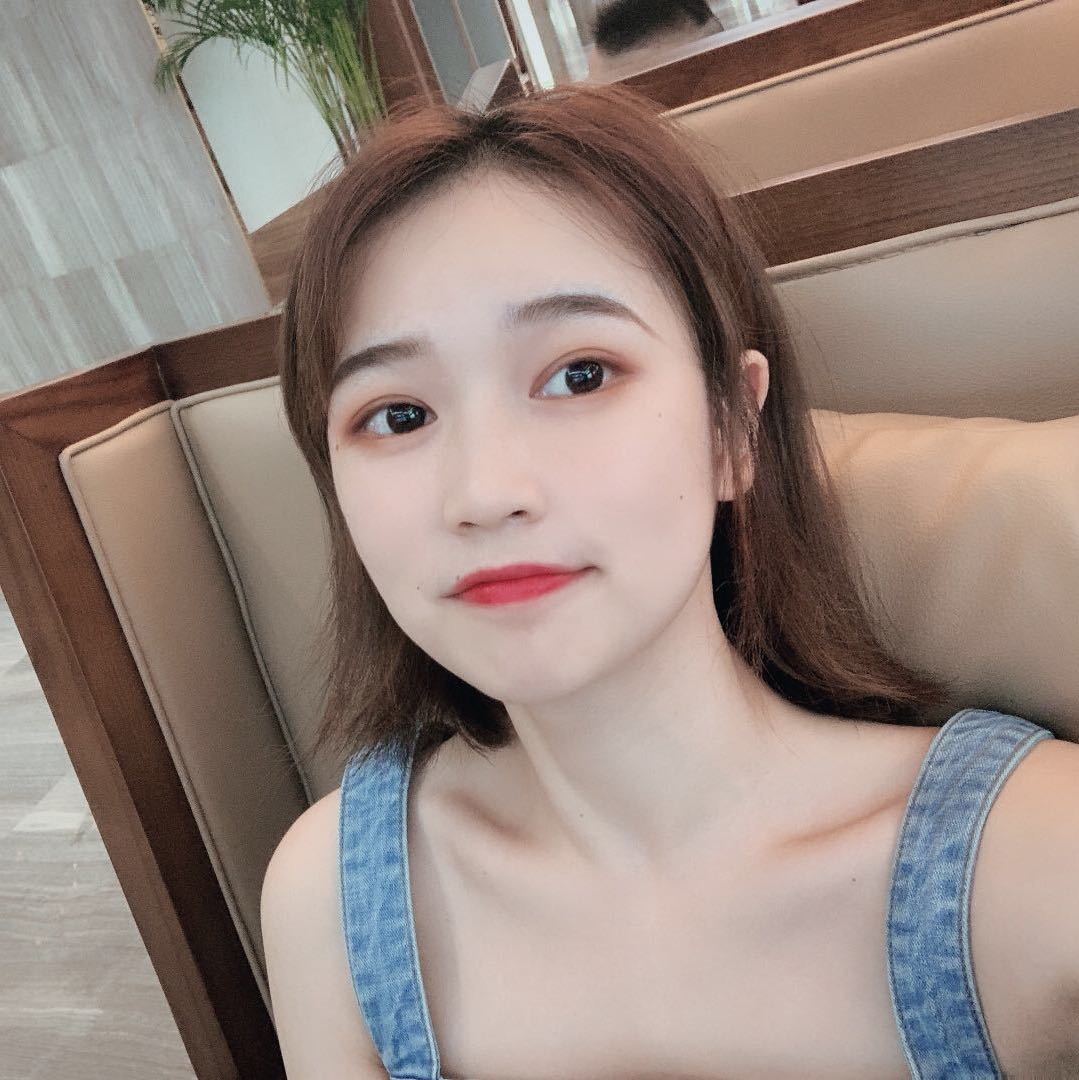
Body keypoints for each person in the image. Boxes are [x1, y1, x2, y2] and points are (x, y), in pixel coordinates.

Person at [260, 81, 1072, 1078]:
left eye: (579, 374)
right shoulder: (332, 907)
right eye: (397, 416)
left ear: (732, 426)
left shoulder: (1033, 868)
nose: (483, 492)